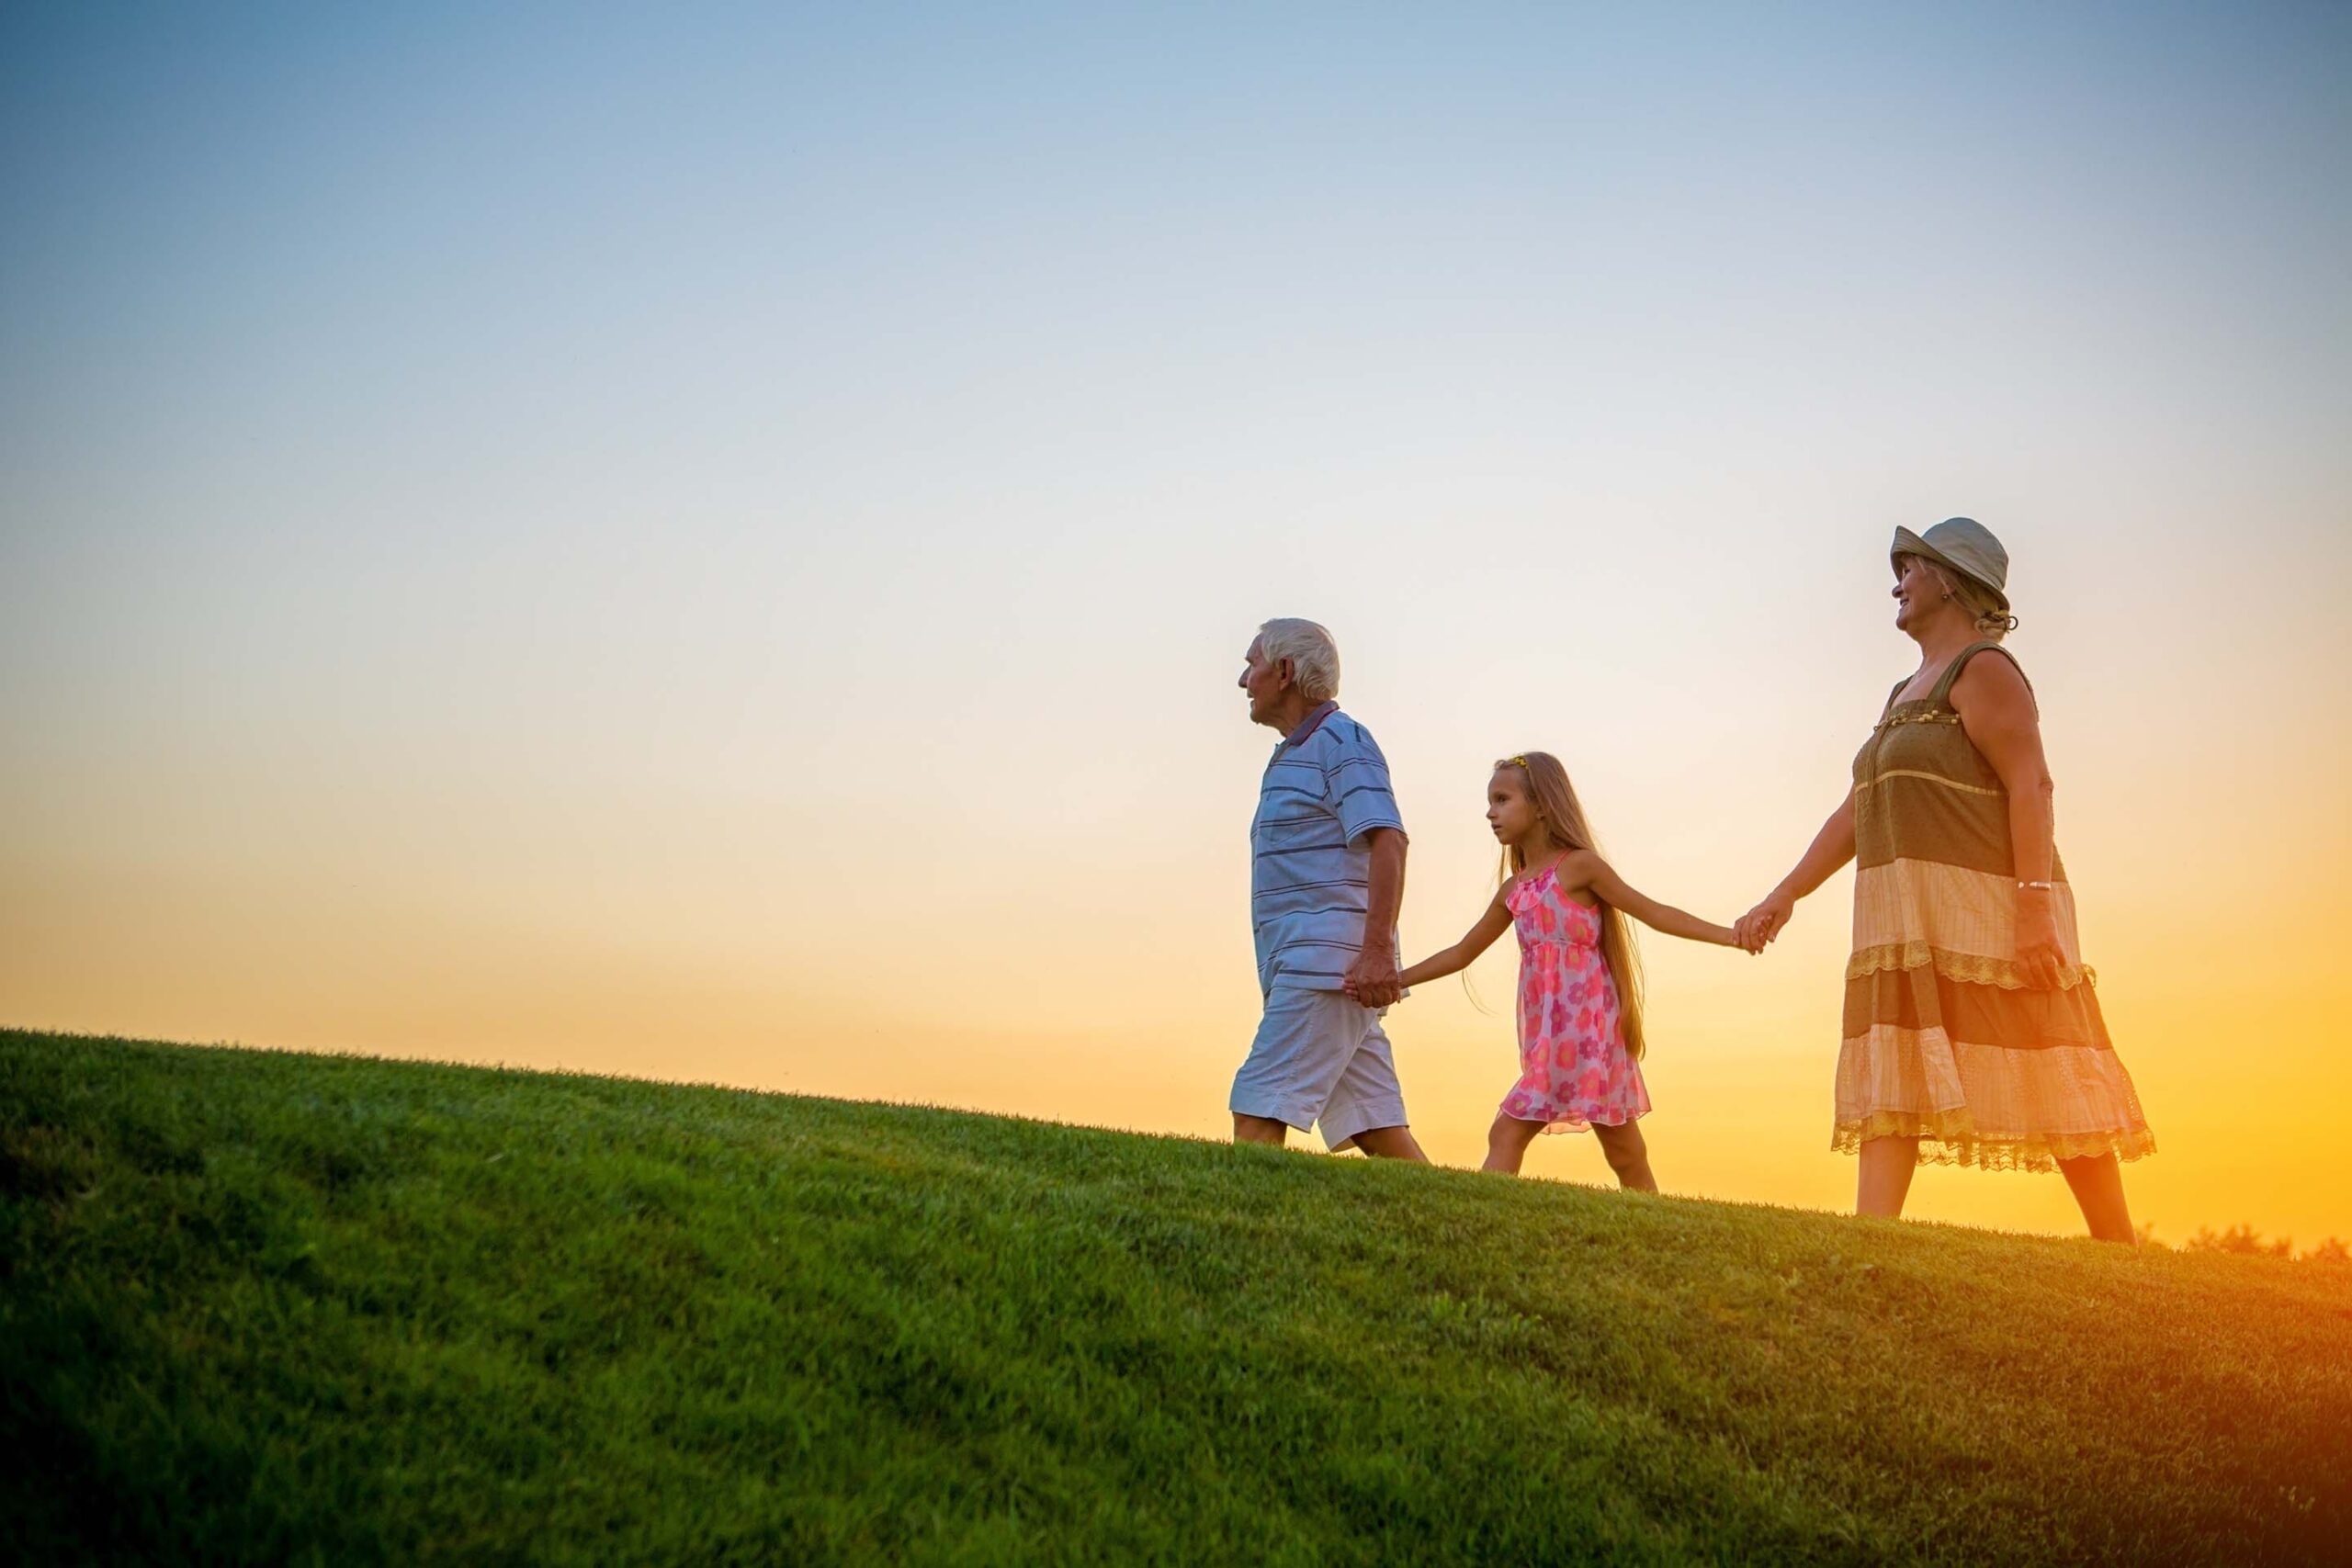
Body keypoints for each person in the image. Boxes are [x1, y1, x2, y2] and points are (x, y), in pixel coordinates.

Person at [1734, 518, 2154, 1240]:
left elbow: (2033, 785)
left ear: (1950, 580)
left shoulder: (1985, 668)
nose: (1896, 578)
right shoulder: (1904, 690)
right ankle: (1874, 1238)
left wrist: (2034, 911)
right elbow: (1858, 809)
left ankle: (2118, 1244)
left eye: (1911, 566)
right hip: (1910, 916)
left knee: (2045, 1056)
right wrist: (1786, 892)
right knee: (1896, 1047)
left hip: (1993, 906)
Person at [1383, 751, 1740, 1187]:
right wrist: (1395, 981)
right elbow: (1461, 953)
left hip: (1587, 1031)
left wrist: (1730, 935)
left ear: (1541, 806)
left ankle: (1482, 1214)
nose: (1490, 813)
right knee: (1624, 1149)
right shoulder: (1515, 890)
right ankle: (1651, 1213)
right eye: (1490, 802)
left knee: (1511, 1130)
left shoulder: (1578, 867)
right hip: (1548, 1037)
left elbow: (1652, 911)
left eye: (1502, 799)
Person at [1230, 618, 1427, 1160]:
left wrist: (1376, 953)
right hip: (1321, 965)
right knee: (1374, 1124)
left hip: (1327, 965)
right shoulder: (1295, 752)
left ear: (1286, 672)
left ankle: (1245, 1234)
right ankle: (1468, 1236)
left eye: (1253, 665)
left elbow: (1388, 840)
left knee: (1258, 1105)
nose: (1244, 680)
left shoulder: (1342, 741)